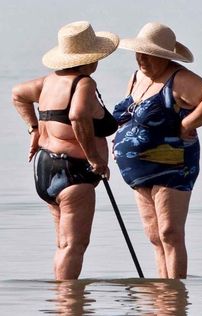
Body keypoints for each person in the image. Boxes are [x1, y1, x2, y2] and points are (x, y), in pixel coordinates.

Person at [113, 22, 202, 279]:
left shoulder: (180, 78)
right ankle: (164, 295)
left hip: (172, 164)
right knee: (154, 236)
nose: (141, 59)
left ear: (164, 55)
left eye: (148, 54)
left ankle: (176, 294)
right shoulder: (136, 77)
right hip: (139, 171)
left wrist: (189, 122)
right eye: (138, 53)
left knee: (170, 233)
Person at [12, 21, 119, 280]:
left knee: (63, 244)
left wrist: (34, 129)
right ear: (91, 59)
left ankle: (63, 302)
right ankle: (69, 303)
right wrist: (95, 159)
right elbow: (77, 115)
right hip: (73, 171)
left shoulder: (49, 81)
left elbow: (18, 93)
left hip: (46, 168)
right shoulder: (83, 84)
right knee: (74, 245)